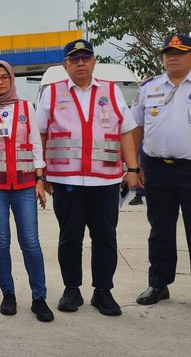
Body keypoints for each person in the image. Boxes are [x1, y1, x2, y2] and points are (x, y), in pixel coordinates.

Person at [36, 39, 140, 316]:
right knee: (70, 237)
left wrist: (133, 169)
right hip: (66, 180)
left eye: (85, 57)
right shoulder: (53, 93)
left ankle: (103, 292)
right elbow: (41, 135)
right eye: (74, 58)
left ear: (93, 61)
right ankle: (72, 289)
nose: (80, 63)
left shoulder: (111, 91)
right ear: (65, 65)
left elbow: (125, 131)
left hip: (106, 181)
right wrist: (41, 173)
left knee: (105, 237)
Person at [0, 60, 54, 322]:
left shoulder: (25, 107)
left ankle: (39, 297)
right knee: (1, 242)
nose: (0, 81)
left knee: (31, 242)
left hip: (24, 186)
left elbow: (34, 145)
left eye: (4, 77)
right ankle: (8, 294)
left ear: (11, 79)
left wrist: (40, 180)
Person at [133, 34, 191, 306]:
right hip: (156, 169)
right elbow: (135, 128)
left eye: (179, 52)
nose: (172, 56)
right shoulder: (150, 87)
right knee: (160, 230)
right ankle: (159, 283)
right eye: (168, 52)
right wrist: (134, 165)